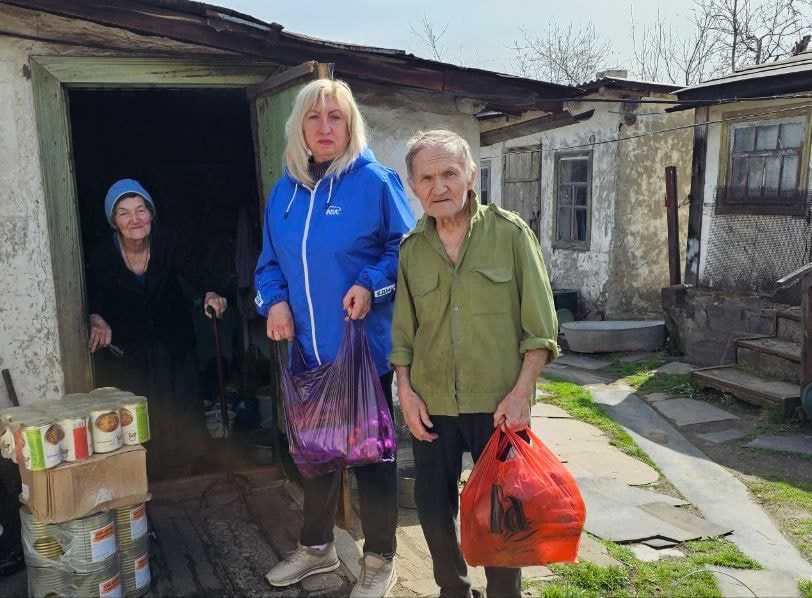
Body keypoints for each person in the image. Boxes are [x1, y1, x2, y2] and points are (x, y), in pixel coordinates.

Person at [254, 78, 415, 597]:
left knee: (371, 459)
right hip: (308, 352)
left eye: (336, 117)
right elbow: (268, 265)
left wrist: (370, 284)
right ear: (299, 127)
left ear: (351, 126)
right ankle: (317, 548)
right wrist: (274, 300)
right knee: (316, 456)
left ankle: (380, 558)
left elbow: (407, 251)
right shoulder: (284, 192)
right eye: (314, 118)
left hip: (362, 352)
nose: (325, 128)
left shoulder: (374, 182)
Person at [390, 130, 560, 598]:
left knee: (504, 512)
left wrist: (522, 391)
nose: (439, 186)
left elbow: (541, 329)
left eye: (449, 173)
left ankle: (505, 593)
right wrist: (405, 392)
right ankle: (453, 589)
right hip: (432, 402)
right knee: (432, 508)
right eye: (427, 177)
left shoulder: (509, 234)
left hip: (500, 403)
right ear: (412, 185)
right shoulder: (411, 250)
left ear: (470, 176)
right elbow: (403, 337)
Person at [86, 179, 228, 479]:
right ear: (113, 221)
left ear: (152, 213)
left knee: (182, 400)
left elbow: (196, 271)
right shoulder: (101, 256)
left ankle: (189, 470)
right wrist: (95, 317)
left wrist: (211, 292)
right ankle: (146, 473)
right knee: (139, 406)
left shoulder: (168, 242)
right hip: (130, 344)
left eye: (141, 210)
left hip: (173, 335)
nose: (134, 219)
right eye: (124, 213)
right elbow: (93, 292)